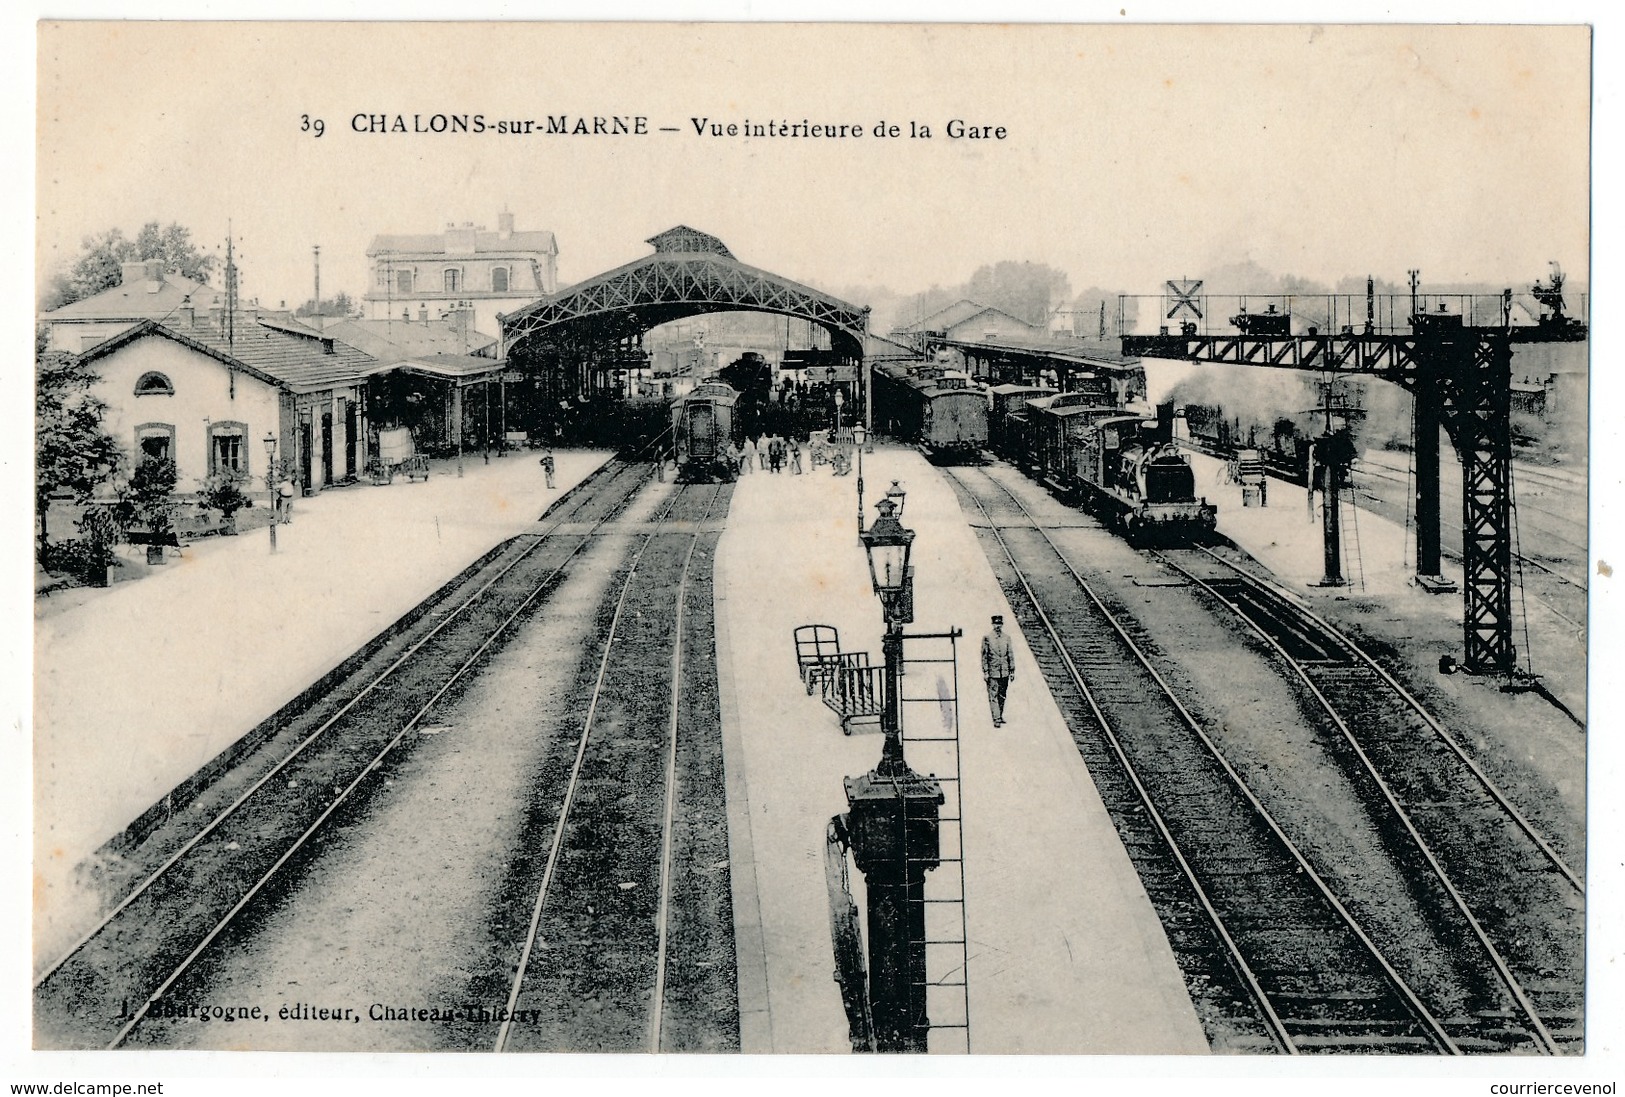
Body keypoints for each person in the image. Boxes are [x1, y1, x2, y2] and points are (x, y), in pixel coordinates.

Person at [981, 614, 1015, 727]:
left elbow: (1010, 654)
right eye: (996, 624)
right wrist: (985, 672)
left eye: (999, 624)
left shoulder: (1007, 638)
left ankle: (999, 715)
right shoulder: (987, 638)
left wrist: (1012, 670)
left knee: (1002, 695)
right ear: (992, 624)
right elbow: (984, 657)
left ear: (1002, 625)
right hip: (993, 672)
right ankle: (996, 718)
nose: (997, 626)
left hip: (1004, 672)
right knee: (993, 695)